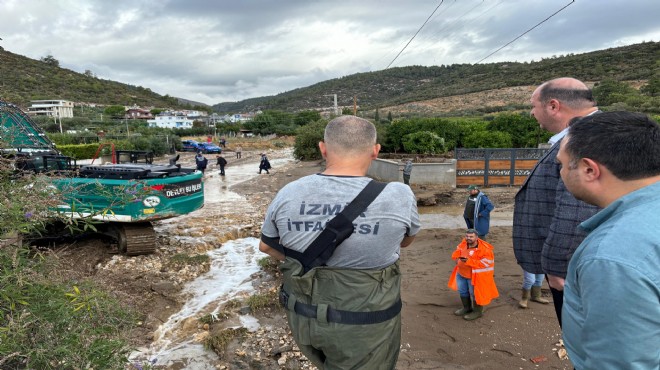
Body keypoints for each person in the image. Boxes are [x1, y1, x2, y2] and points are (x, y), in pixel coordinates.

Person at [259, 115, 420, 369]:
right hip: (366, 323)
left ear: (323, 148)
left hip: (303, 317)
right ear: (375, 151)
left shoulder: (289, 192)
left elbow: (266, 246)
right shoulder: (399, 194)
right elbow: (406, 241)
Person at [556, 111, 660, 369]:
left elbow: (623, 363)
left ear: (589, 170)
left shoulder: (611, 256)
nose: (560, 172)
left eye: (562, 164)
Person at [512, 77, 600, 327]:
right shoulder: (588, 133)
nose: (532, 112)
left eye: (533, 105)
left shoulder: (586, 138)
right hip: (577, 268)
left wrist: (559, 268)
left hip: (570, 272)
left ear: (553, 106)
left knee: (584, 346)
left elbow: (577, 207)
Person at [447, 229, 498, 321]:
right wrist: (456, 259)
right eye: (467, 236)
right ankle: (467, 308)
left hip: (474, 277)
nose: (468, 238)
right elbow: (458, 251)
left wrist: (468, 261)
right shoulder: (463, 244)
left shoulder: (485, 250)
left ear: (477, 237)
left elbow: (486, 263)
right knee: (463, 292)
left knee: (475, 294)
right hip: (461, 274)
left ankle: (477, 312)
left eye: (471, 237)